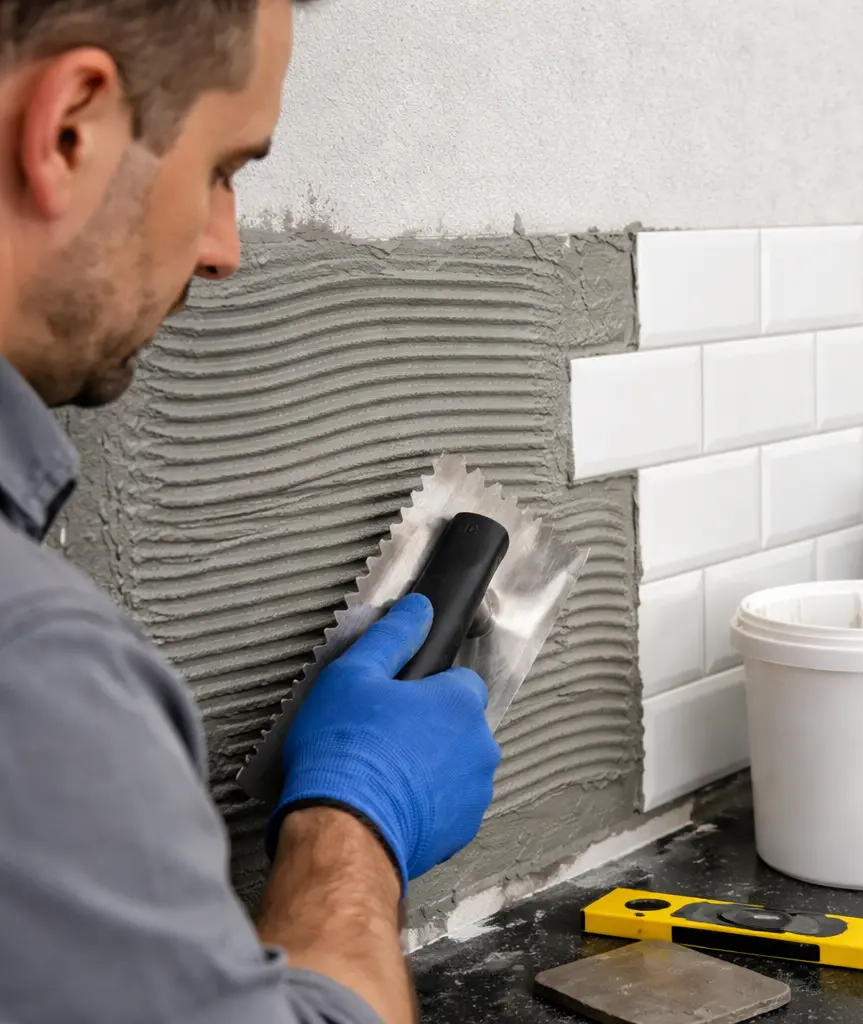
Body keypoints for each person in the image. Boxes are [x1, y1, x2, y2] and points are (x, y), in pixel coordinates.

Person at [0, 2, 502, 1022]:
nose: (226, 247)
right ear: (70, 127)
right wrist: (353, 820)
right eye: (224, 169)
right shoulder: (34, 670)